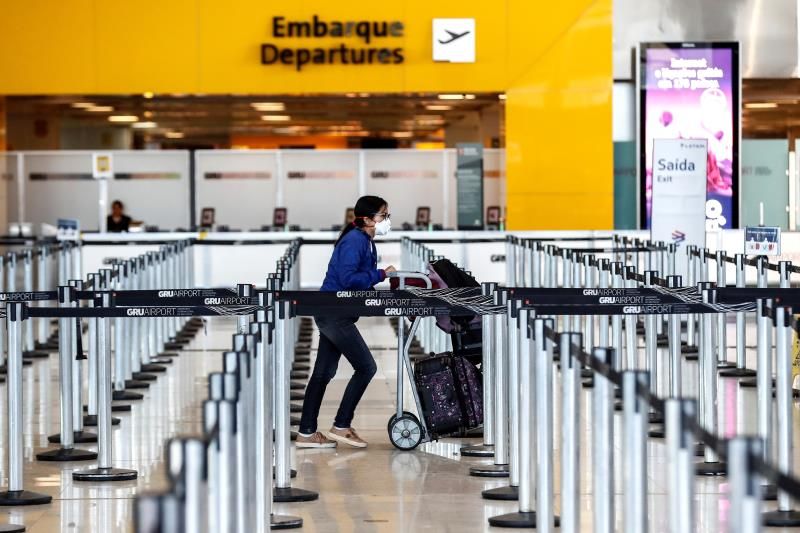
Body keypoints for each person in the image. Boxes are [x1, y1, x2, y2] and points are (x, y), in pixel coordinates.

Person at [296, 195, 395, 449]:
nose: (386, 220)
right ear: (366, 219)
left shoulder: (364, 241)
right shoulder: (354, 241)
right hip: (334, 313)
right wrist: (382, 273)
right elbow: (350, 279)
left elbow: (360, 282)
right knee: (366, 368)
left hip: (334, 311)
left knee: (322, 373)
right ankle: (341, 425)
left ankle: (306, 433)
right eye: (383, 216)